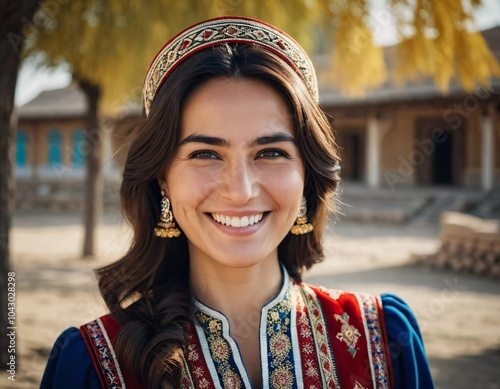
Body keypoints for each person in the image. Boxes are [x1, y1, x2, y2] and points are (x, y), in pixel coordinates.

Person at [40, 16, 434, 389]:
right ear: (163, 178)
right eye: (205, 154)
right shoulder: (93, 362)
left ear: (306, 176)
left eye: (271, 153)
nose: (241, 190)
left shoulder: (382, 338)